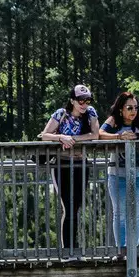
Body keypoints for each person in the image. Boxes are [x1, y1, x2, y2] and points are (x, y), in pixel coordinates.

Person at [37, 83, 99, 248]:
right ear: (72, 100)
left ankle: (74, 246)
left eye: (88, 100)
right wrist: (61, 138)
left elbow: (95, 134)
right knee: (68, 206)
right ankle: (69, 249)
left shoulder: (91, 113)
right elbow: (45, 135)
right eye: (81, 100)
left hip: (81, 164)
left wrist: (72, 139)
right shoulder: (61, 114)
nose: (84, 104)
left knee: (76, 205)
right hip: (62, 165)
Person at [98, 88, 139, 248]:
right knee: (120, 213)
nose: (134, 111)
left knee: (136, 214)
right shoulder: (114, 120)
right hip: (118, 174)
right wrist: (118, 136)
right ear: (121, 109)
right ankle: (122, 250)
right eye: (129, 108)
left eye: (136, 107)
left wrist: (138, 135)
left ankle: (133, 250)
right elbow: (100, 134)